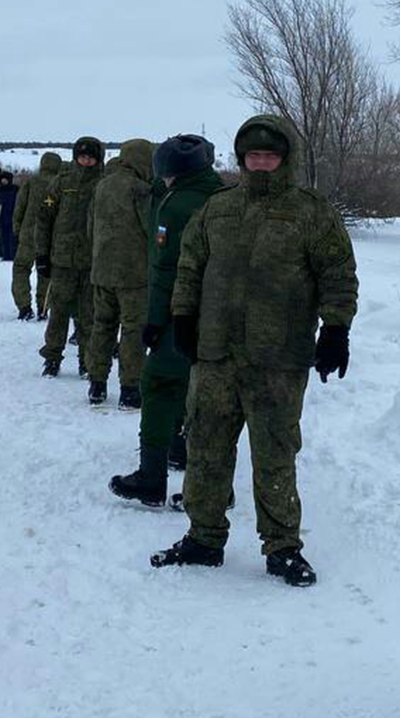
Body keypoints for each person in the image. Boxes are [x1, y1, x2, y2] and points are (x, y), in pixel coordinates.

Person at [149, 115, 358, 588]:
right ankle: (204, 536)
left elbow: (338, 273)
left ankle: (283, 547)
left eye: (270, 156)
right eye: (253, 156)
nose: (261, 164)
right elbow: (189, 265)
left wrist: (336, 329)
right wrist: (183, 315)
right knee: (205, 447)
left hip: (278, 359)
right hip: (216, 352)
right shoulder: (217, 209)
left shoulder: (310, 211)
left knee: (275, 453)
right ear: (242, 158)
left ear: (284, 159)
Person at [110, 134, 222, 507]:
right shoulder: (222, 195)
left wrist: (155, 321)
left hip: (181, 312)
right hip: (220, 312)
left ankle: (151, 476)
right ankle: (190, 458)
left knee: (158, 384)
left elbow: (167, 270)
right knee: (202, 388)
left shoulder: (177, 207)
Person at [86, 138, 156, 407]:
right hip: (133, 274)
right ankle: (130, 387)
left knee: (102, 327)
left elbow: (90, 227)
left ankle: (97, 384)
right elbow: (151, 229)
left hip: (102, 271)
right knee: (132, 330)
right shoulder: (140, 189)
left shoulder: (102, 185)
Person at [34, 136, 105, 377]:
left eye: (91, 157)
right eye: (82, 156)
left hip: (92, 262)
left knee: (89, 315)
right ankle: (52, 357)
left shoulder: (104, 184)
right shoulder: (61, 183)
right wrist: (41, 254)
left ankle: (87, 361)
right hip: (62, 260)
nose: (86, 161)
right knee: (59, 312)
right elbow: (44, 218)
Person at [11, 152, 63, 321]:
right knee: (46, 272)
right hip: (50, 236)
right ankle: (44, 306)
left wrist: (17, 228)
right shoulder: (60, 184)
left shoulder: (31, 182)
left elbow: (19, 207)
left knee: (21, 269)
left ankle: (24, 306)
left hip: (28, 234)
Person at [0, 170, 20, 262]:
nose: (3, 181)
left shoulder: (15, 189)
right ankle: (5, 254)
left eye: (5, 180)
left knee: (12, 237)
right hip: (2, 216)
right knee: (3, 236)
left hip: (13, 215)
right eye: (2, 180)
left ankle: (13, 254)